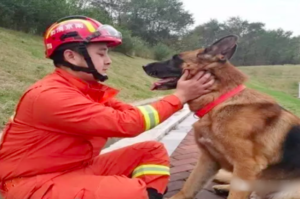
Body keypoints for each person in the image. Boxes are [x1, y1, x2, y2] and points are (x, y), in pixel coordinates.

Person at [0, 15, 214, 199]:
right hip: (31, 184)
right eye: (101, 53)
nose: (108, 60)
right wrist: (181, 96)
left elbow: (132, 115)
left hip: (75, 169)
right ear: (71, 56)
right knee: (128, 192)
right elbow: (127, 124)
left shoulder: (84, 89)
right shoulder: (52, 95)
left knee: (151, 150)